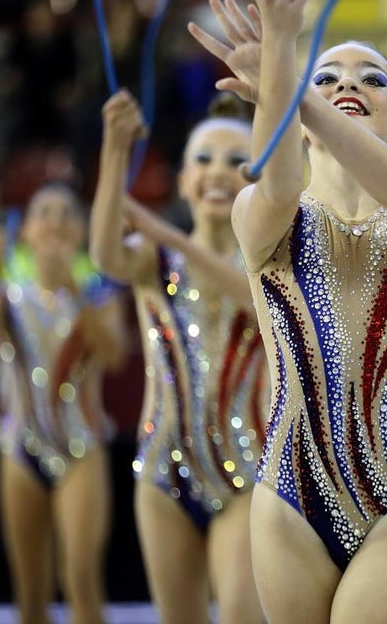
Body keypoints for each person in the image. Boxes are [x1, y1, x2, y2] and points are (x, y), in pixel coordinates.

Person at [187, 0, 387, 623]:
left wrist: (288, 81)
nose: (349, 83)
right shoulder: (263, 214)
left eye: (373, 79)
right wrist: (282, 62)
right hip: (288, 498)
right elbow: (280, 182)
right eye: (329, 76)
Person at [90, 88, 266, 624]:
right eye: (203, 160)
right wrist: (115, 148)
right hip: (163, 470)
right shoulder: (153, 258)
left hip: (249, 472)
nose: (218, 172)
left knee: (242, 615)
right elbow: (105, 255)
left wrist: (169, 234)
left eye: (237, 161)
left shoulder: (271, 265)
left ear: (260, 180)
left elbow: (256, 301)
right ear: (185, 180)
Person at [0, 182, 126, 624]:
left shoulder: (99, 292)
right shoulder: (9, 295)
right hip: (21, 448)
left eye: (66, 213)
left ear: (82, 231)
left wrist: (73, 287)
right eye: (44, 213)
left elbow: (114, 355)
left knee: (81, 579)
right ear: (26, 231)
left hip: (82, 447)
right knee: (30, 592)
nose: (55, 221)